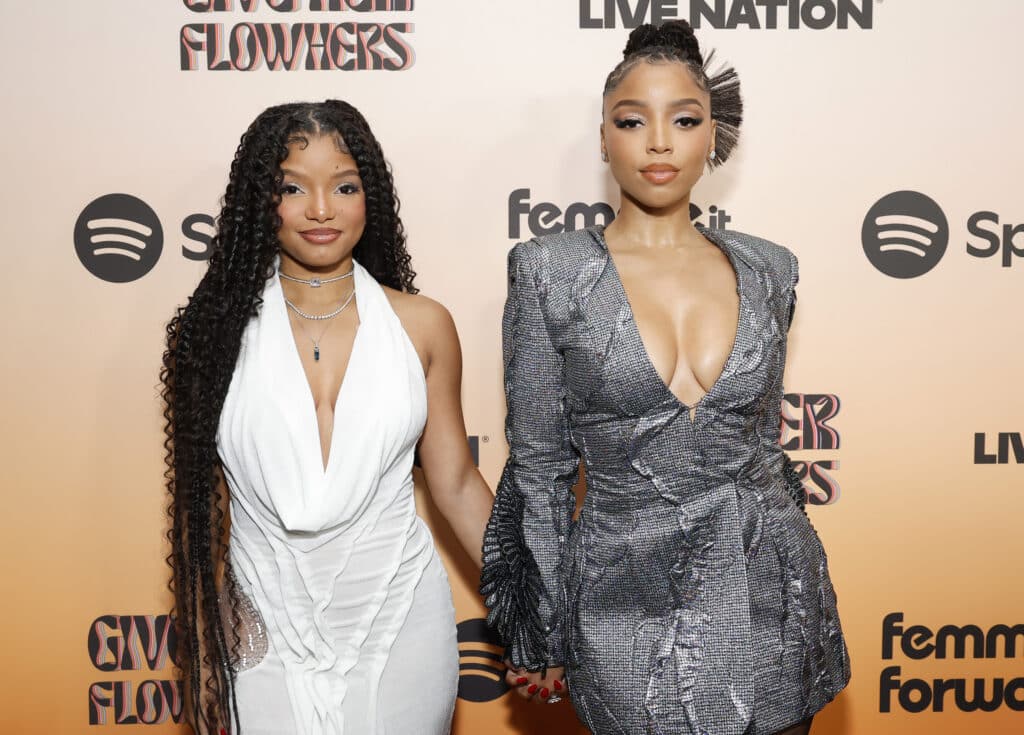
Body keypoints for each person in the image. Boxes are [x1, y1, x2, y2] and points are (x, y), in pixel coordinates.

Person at [480, 21, 850, 735]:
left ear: (714, 135)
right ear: (603, 138)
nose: (658, 142)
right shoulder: (548, 270)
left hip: (770, 594)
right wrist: (542, 627)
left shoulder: (770, 267)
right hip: (621, 599)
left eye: (684, 120)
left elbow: (763, 444)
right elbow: (540, 467)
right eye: (632, 120)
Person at [161, 100, 494, 735]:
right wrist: (202, 649)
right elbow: (203, 505)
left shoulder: (422, 325)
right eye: (293, 188)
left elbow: (454, 483)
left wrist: (532, 604)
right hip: (263, 618)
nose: (321, 209)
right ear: (260, 201)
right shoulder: (212, 334)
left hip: (400, 616)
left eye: (344, 186)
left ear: (372, 197)